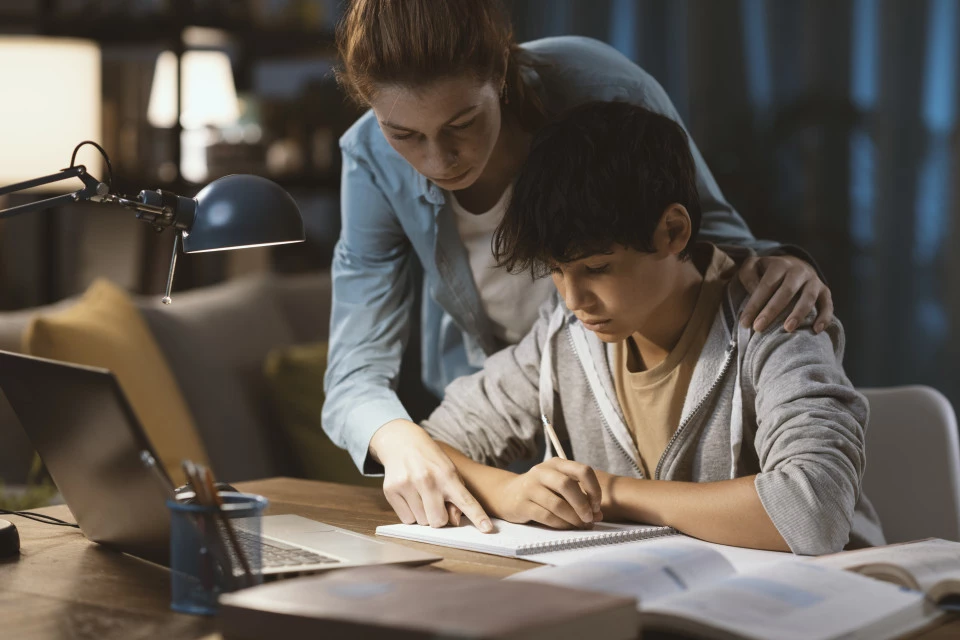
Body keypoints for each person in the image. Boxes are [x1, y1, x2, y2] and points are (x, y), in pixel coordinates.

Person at [325, 0, 836, 534]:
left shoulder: (595, 84)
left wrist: (785, 266)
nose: (439, 161)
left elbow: (709, 236)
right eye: (404, 135)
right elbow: (362, 377)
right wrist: (400, 440)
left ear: (498, 73)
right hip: (541, 400)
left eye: (463, 123)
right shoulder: (560, 337)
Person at [420, 101, 884, 554]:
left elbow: (814, 510)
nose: (573, 299)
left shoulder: (772, 318)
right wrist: (508, 493)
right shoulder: (565, 335)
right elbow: (430, 445)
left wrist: (612, 492)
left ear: (673, 232)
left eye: (597, 267)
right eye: (556, 270)